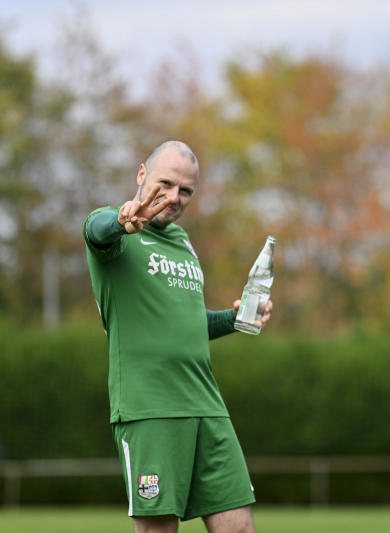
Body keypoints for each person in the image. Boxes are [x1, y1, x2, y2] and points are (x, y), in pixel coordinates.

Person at [83, 141, 271, 533]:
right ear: (141, 175)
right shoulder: (113, 228)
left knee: (241, 528)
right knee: (159, 530)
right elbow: (96, 232)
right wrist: (122, 220)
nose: (173, 197)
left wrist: (233, 319)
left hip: (207, 405)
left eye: (185, 190)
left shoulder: (183, 242)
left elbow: (185, 321)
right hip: (151, 408)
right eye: (165, 183)